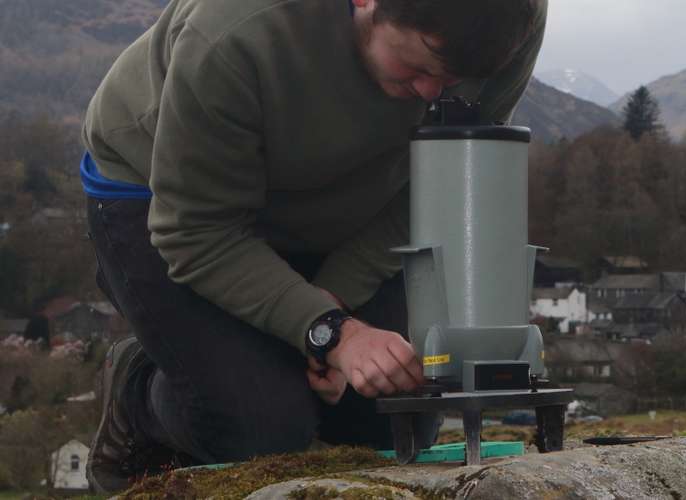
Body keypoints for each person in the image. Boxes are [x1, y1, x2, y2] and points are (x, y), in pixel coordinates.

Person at [80, 0, 547, 493]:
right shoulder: (234, 32)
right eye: (419, 66)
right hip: (167, 203)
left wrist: (333, 303)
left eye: (453, 81)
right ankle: (135, 389)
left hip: (345, 209)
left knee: (394, 420)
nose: (431, 94)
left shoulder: (508, 20)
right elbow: (196, 233)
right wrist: (333, 334)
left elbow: (440, 180)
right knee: (262, 429)